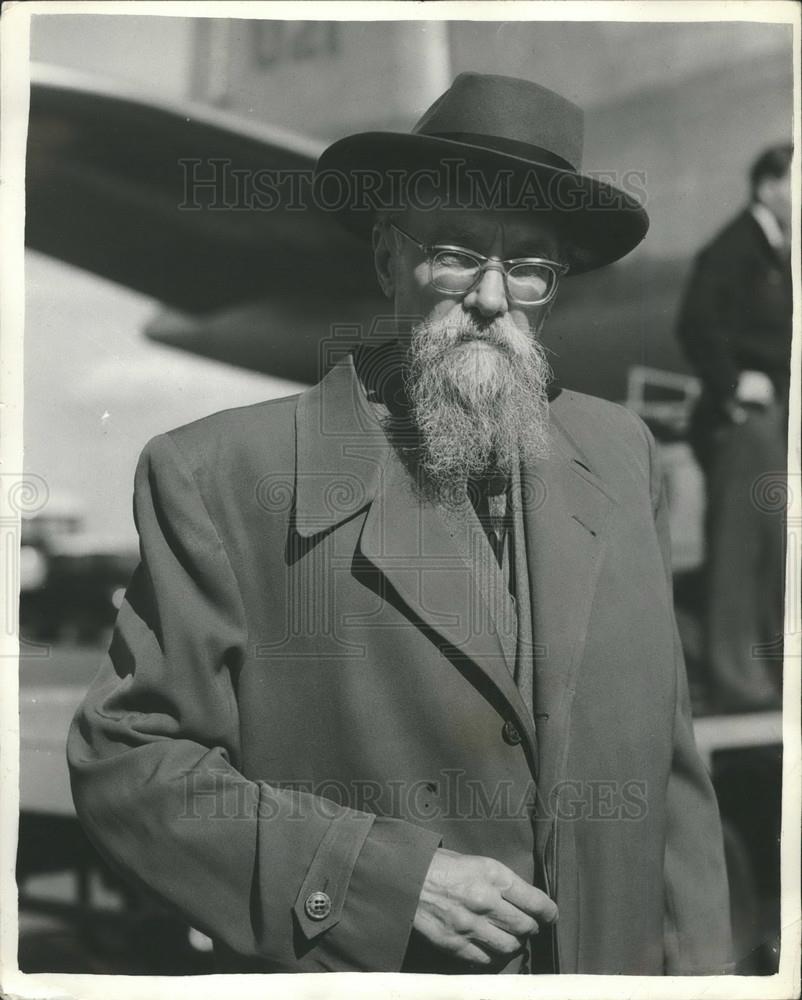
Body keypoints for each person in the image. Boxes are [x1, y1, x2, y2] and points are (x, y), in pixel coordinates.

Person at [68, 72, 733, 975]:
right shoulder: (222, 475)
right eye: (457, 254)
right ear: (388, 259)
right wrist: (383, 882)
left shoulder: (620, 454)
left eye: (530, 267)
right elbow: (125, 761)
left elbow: (673, 778)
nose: (494, 298)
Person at [677, 144, 792, 712]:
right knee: (746, 548)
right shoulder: (735, 247)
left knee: (778, 543)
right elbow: (696, 323)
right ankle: (740, 683)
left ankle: (773, 674)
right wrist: (732, 382)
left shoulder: (776, 249)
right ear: (769, 186)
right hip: (741, 425)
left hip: (771, 423)